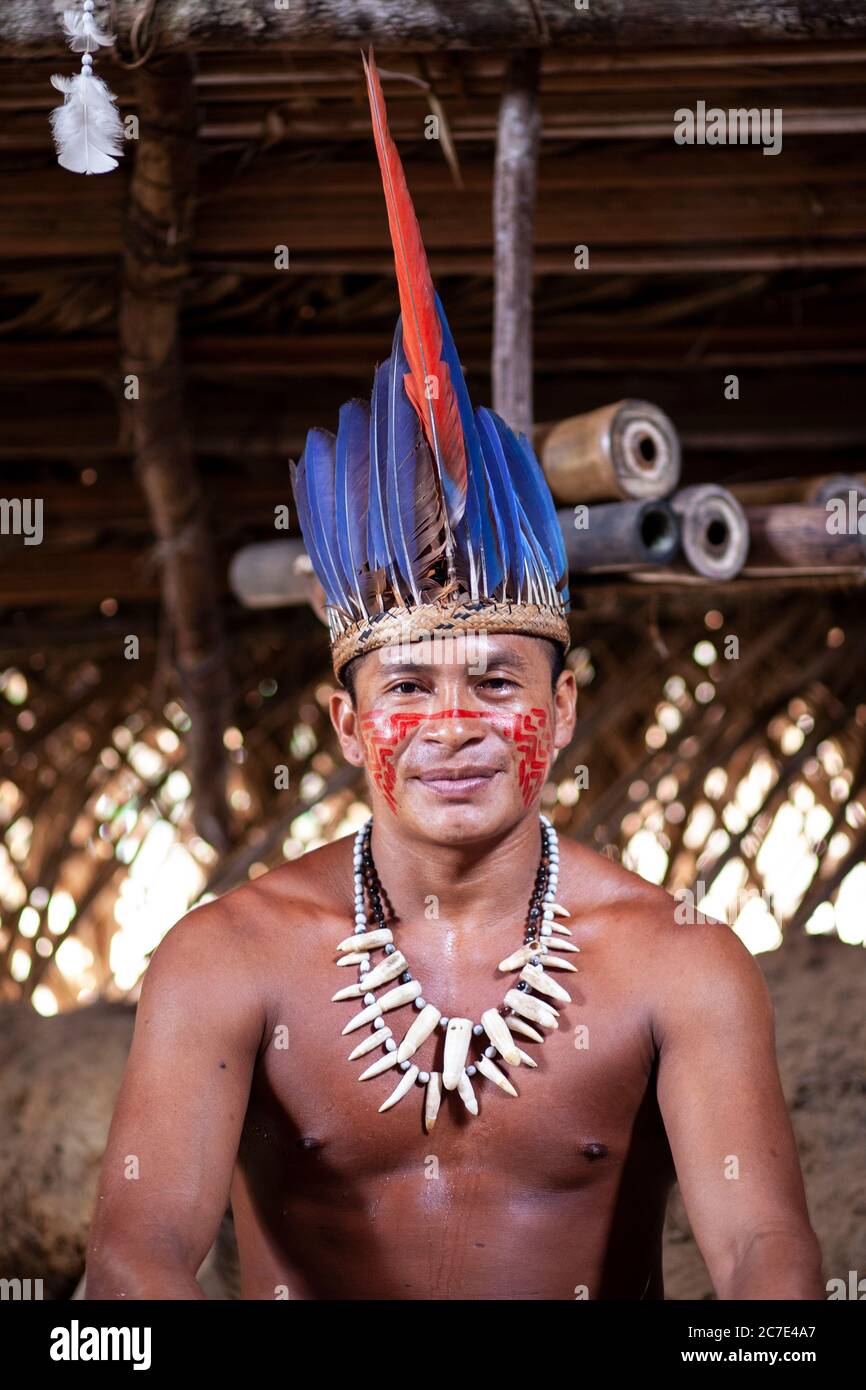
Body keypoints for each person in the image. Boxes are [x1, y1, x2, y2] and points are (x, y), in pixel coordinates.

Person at [85, 50, 823, 1301]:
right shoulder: (228, 958)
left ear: (565, 706)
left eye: (496, 683)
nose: (451, 725)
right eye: (407, 689)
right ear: (341, 721)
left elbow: (768, 1261)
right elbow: (130, 1264)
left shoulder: (676, 961)